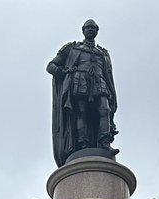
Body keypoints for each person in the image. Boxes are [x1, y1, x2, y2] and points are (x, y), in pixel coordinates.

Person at [47, 18, 117, 166]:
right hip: (79, 82)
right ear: (83, 31)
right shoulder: (72, 48)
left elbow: (108, 75)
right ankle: (83, 144)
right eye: (88, 28)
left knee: (104, 110)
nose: (90, 30)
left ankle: (105, 143)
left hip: (99, 82)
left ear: (97, 31)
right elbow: (51, 66)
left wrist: (113, 96)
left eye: (93, 28)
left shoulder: (103, 53)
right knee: (81, 113)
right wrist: (65, 72)